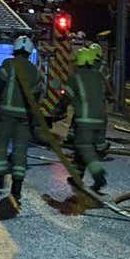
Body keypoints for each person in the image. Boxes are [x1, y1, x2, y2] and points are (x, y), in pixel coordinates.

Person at [0, 35, 42, 217]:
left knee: (1, 146)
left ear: (15, 49)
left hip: (5, 115)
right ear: (29, 52)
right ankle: (16, 190)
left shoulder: (8, 64)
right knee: (20, 151)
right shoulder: (35, 71)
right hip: (24, 118)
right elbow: (37, 96)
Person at [50, 46, 109, 192]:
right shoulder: (98, 75)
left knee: (84, 146)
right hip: (100, 119)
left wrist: (56, 112)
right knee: (80, 148)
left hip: (85, 120)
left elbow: (66, 98)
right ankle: (77, 177)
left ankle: (98, 175)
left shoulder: (76, 77)